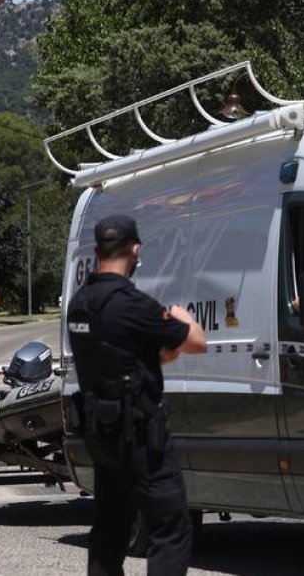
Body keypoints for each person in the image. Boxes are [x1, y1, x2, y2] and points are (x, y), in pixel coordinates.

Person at [66, 215, 206, 576]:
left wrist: (153, 352)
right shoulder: (132, 304)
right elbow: (195, 342)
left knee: (110, 529)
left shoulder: (80, 304)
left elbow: (117, 352)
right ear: (135, 250)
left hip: (101, 434)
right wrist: (183, 317)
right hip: (139, 438)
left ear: (98, 251)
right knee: (171, 528)